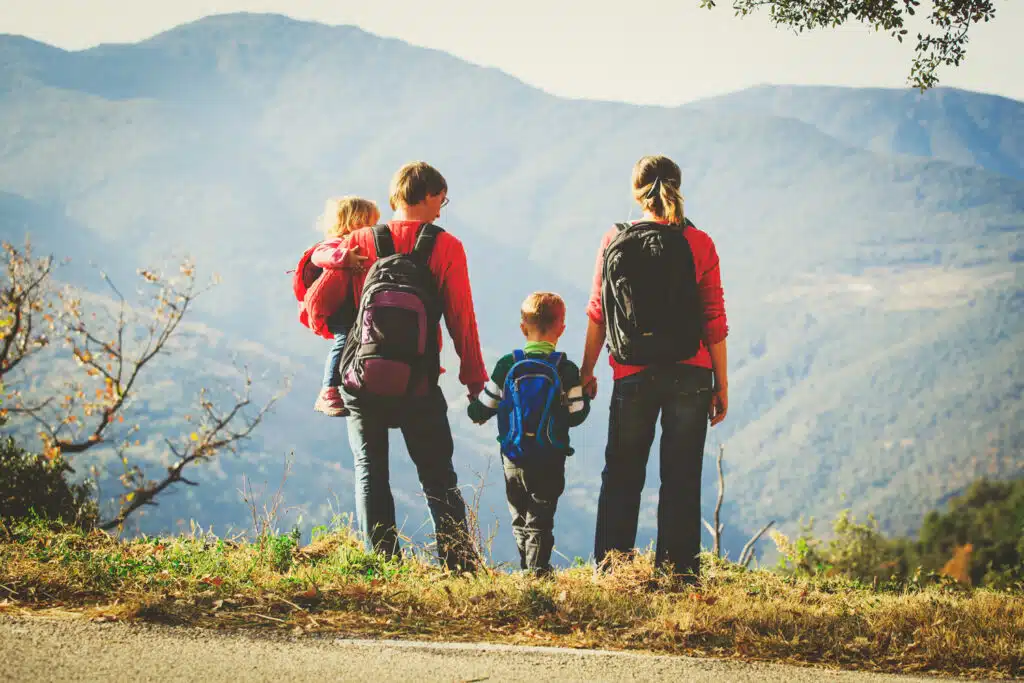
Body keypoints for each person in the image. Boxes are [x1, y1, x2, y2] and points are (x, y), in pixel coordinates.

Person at [304, 161, 488, 572]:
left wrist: (343, 322)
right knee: (439, 476)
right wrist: (474, 381)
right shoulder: (447, 247)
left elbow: (315, 306)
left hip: (362, 380)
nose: (442, 208)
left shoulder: (359, 241)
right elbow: (462, 319)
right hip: (419, 383)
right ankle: (460, 566)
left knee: (371, 472)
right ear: (426, 195)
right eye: (441, 198)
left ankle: (384, 567)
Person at [580, 154, 729, 582]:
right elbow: (713, 318)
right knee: (681, 475)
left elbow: (598, 311)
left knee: (623, 473)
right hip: (692, 372)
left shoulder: (614, 238)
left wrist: (587, 370)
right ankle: (679, 574)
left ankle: (612, 570)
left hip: (632, 373)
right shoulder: (699, 243)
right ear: (678, 186)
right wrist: (721, 383)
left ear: (636, 192)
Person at [467, 292, 590, 574]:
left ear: (523, 327)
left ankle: (528, 568)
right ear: (561, 328)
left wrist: (473, 407)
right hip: (550, 457)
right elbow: (577, 415)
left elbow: (481, 411)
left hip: (513, 457)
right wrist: (587, 394)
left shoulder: (506, 365)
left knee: (519, 517)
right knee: (541, 519)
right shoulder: (566, 369)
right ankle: (537, 573)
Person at [310, 197, 377, 417]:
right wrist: (344, 257)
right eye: (369, 223)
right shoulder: (334, 243)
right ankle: (328, 390)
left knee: (358, 343)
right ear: (353, 222)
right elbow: (319, 256)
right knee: (344, 341)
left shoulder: (365, 244)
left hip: (358, 305)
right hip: (341, 307)